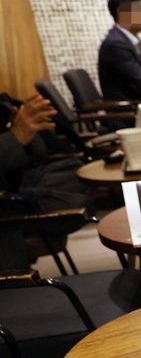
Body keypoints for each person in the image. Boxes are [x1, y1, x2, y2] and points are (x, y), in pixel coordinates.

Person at [1, 93, 91, 261]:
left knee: (80, 170)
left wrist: (23, 133)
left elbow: (37, 157)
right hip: (7, 204)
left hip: (18, 180)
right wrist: (14, 138)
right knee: (79, 204)